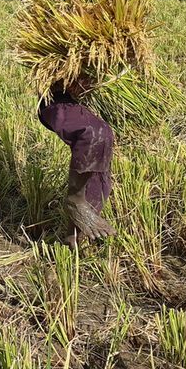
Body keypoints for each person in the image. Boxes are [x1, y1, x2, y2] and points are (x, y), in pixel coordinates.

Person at [38, 79, 115, 246]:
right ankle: (75, 199)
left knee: (100, 177)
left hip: (92, 95)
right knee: (95, 133)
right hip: (58, 97)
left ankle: (74, 236)